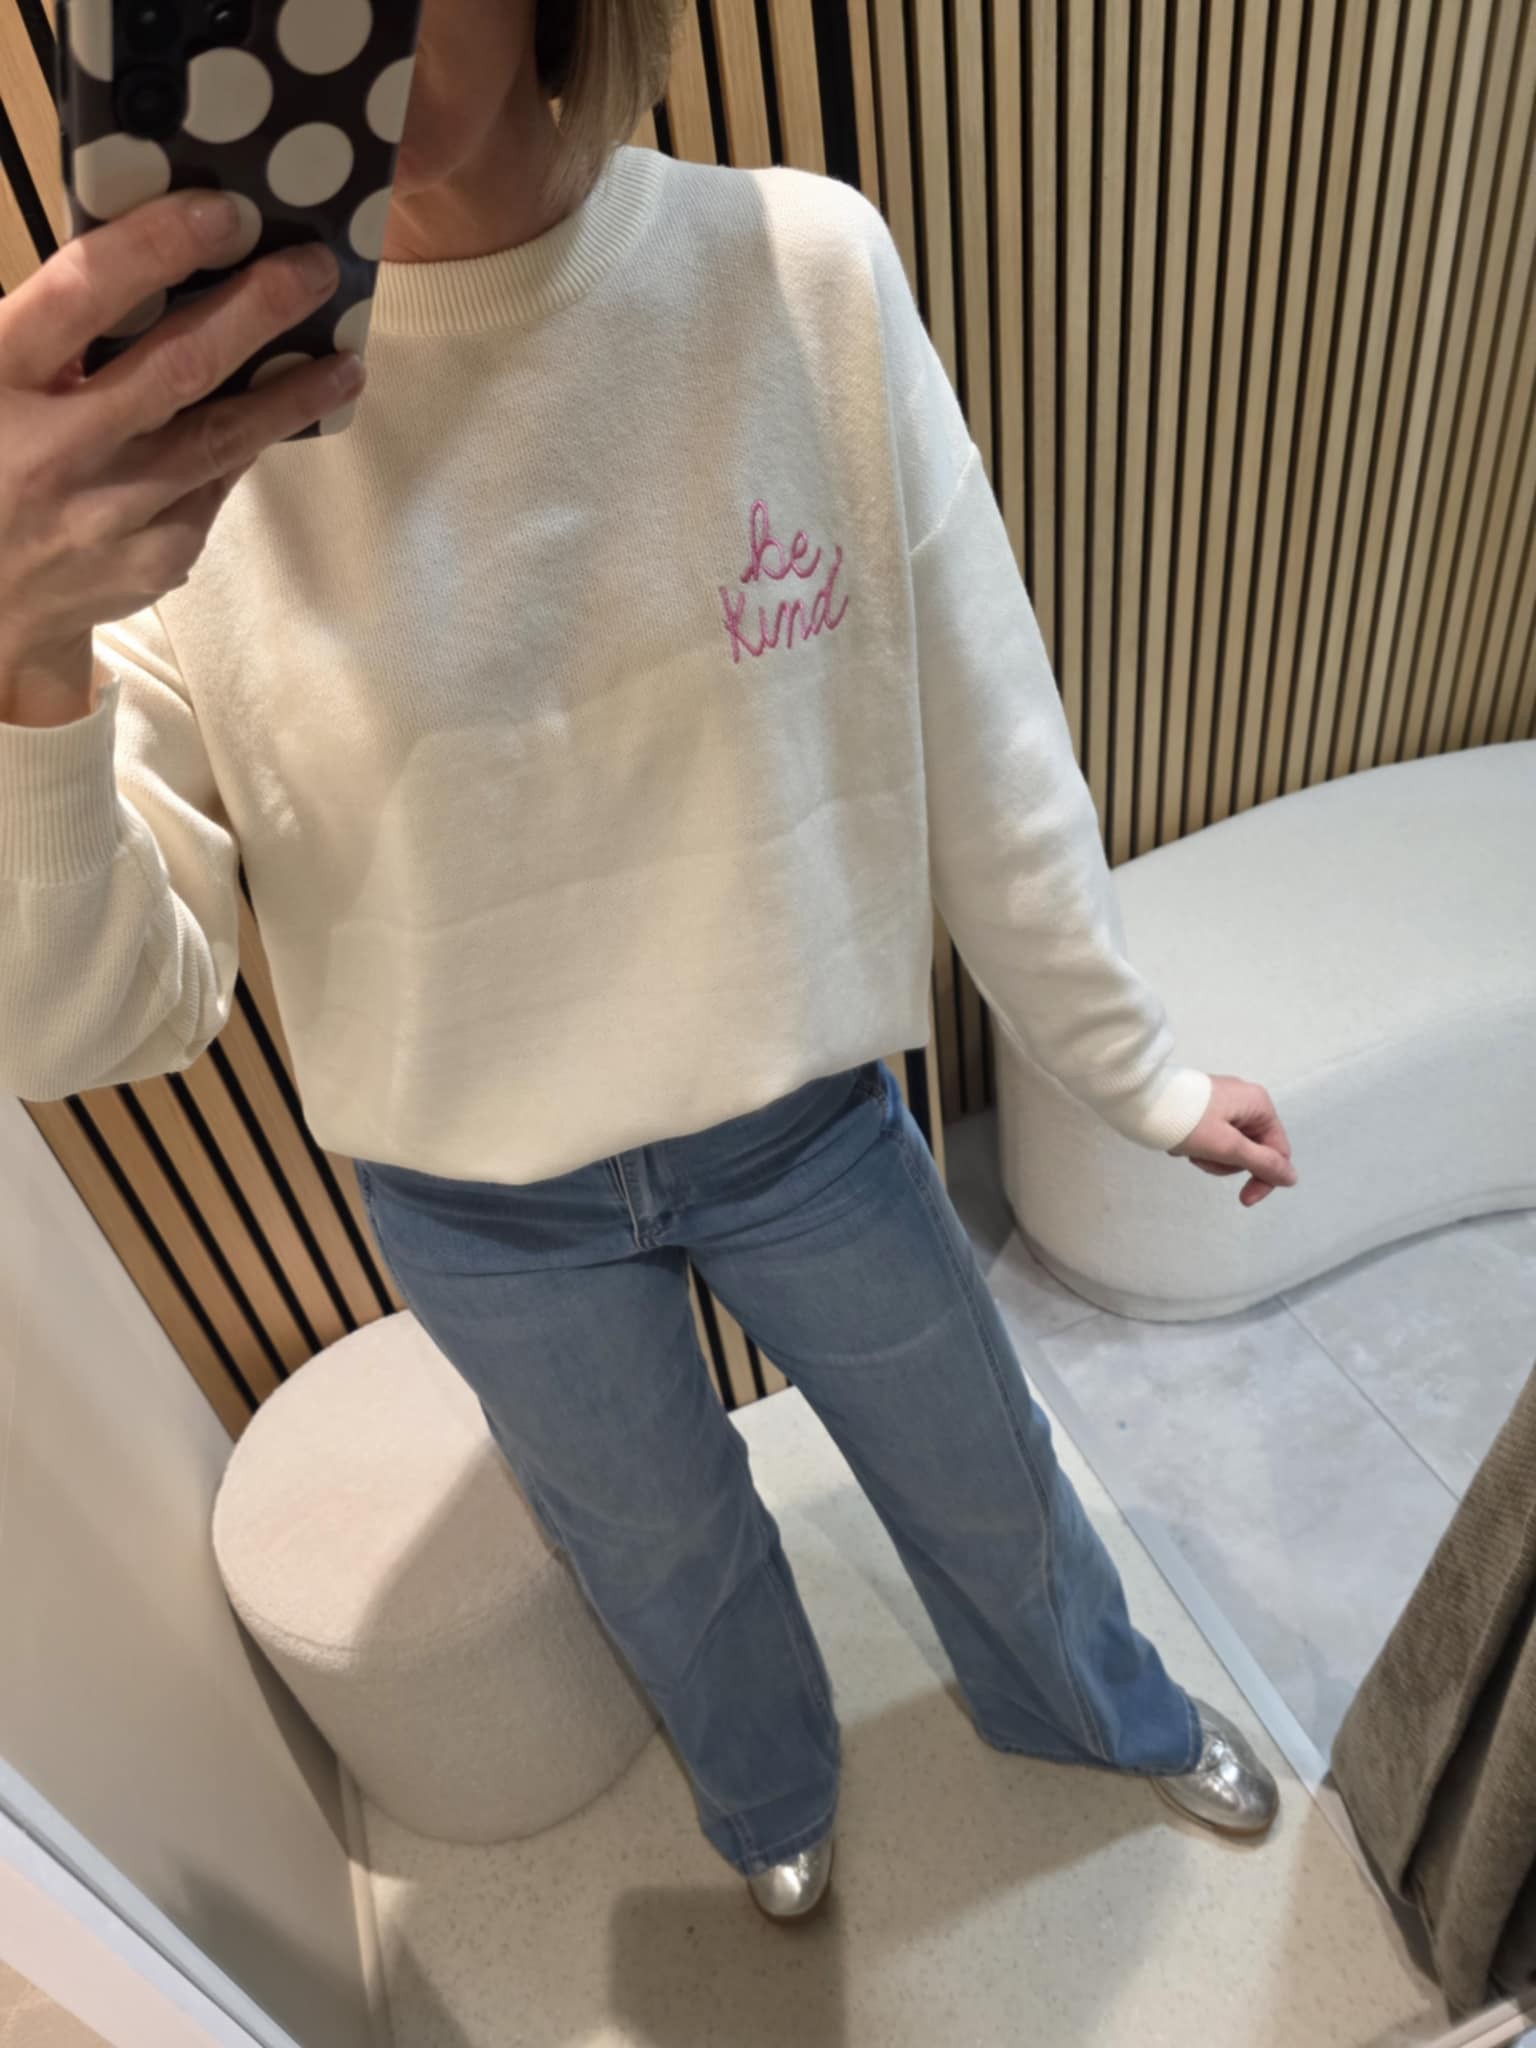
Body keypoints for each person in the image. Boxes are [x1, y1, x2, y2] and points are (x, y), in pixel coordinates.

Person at [0, 0, 1297, 1920]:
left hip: (807, 1126)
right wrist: (25, 667)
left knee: (988, 1475)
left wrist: (1138, 1073)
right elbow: (94, 1019)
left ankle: (1101, 1711)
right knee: (660, 1561)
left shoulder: (798, 272)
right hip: (478, 1204)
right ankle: (769, 1798)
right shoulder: (177, 445)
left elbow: (987, 730)